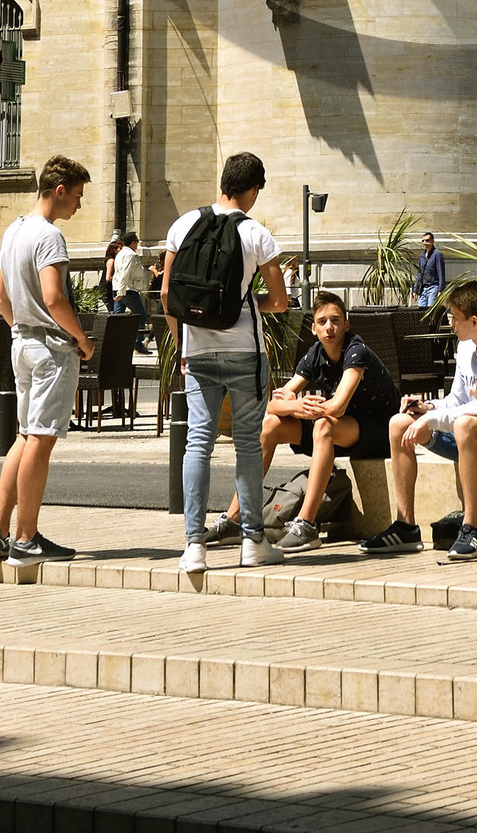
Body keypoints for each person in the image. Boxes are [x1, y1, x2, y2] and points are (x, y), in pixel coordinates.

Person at [162, 150, 289, 574]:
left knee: (198, 442)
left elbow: (167, 296)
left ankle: (194, 546)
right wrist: (247, 302)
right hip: (244, 350)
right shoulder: (256, 233)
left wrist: (184, 342)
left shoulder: (184, 225)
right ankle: (252, 540)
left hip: (196, 352)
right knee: (248, 445)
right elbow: (281, 301)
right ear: (253, 189)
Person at [364, 279, 477, 562]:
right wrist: (426, 407)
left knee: (465, 424)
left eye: (454, 318)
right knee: (399, 423)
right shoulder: (467, 346)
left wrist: (431, 421)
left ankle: (471, 530)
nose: (450, 324)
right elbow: (458, 400)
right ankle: (406, 527)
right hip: (472, 434)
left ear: (474, 321)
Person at [0, 154, 94, 569]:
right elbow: (54, 297)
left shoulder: (12, 231)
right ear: (59, 191)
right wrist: (80, 340)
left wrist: (21, 330)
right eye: (78, 196)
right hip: (50, 348)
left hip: (22, 343)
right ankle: (25, 538)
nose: (79, 205)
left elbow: (1, 300)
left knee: (25, 436)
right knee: (41, 441)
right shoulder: (49, 237)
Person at [265, 292, 401, 552]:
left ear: (346, 324)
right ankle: (237, 519)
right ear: (314, 328)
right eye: (323, 321)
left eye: (336, 320)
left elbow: (337, 407)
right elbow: (273, 405)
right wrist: (295, 405)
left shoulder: (355, 350)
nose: (330, 327)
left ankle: (306, 524)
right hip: (344, 428)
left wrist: (300, 409)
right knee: (272, 424)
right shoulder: (315, 354)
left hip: (379, 430)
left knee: (324, 425)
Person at [413, 232, 447, 303]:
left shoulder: (437, 254)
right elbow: (420, 273)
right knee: (421, 310)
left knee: (430, 310)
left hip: (433, 287)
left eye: (427, 240)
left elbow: (441, 272)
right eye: (423, 241)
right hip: (424, 288)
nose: (425, 242)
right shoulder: (422, 255)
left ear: (432, 241)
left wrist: (441, 289)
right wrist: (415, 290)